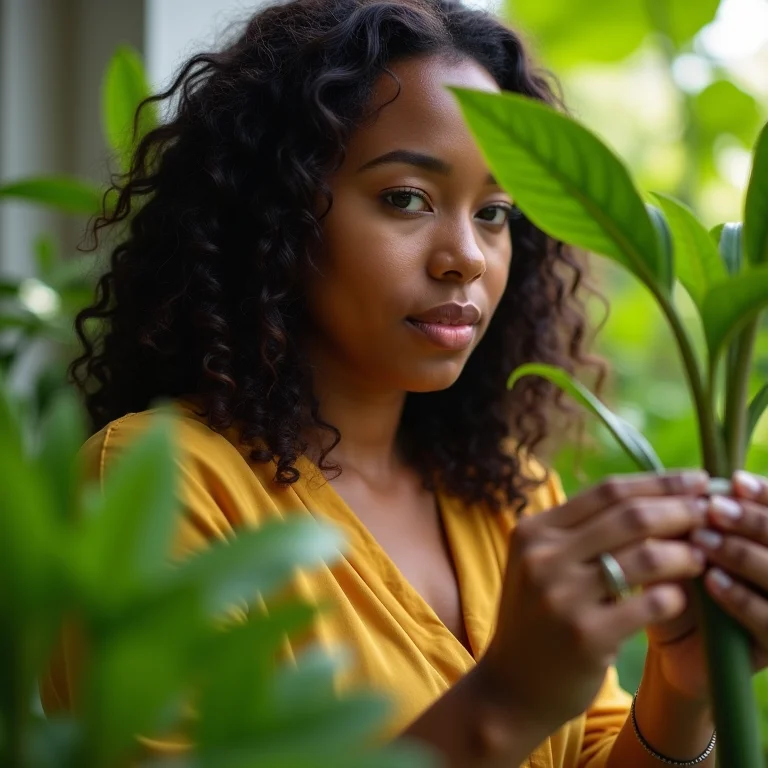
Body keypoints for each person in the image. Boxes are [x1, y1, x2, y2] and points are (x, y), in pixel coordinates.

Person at [40, 0, 768, 765]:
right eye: (406, 199)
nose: (467, 256)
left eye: (494, 213)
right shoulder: (156, 484)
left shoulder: (509, 490)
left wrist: (681, 690)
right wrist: (504, 702)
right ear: (277, 212)